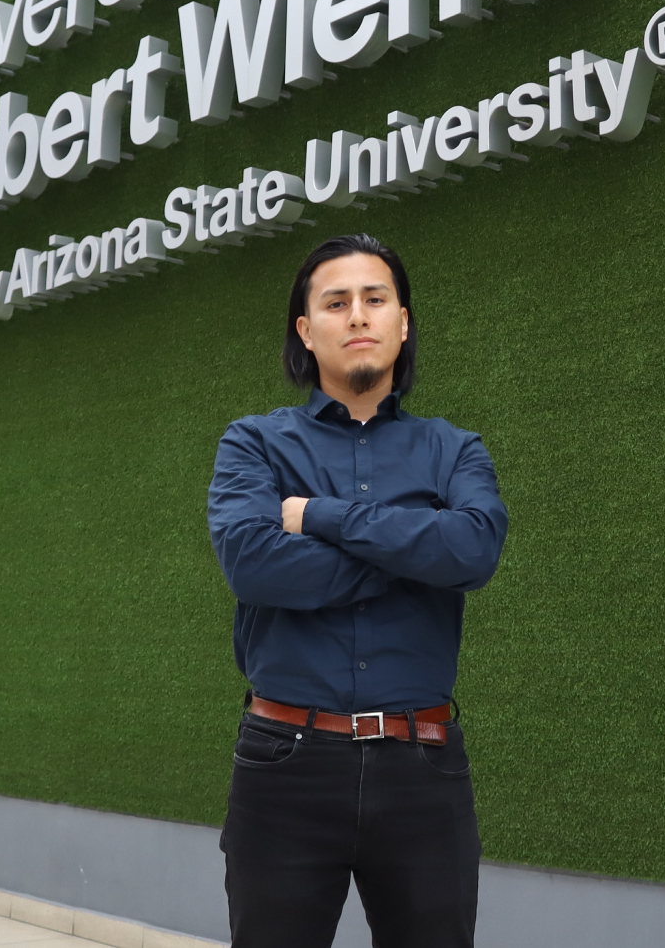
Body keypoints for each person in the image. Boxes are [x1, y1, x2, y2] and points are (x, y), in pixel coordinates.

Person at [208, 233, 508, 948]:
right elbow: (255, 563)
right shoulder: (254, 443)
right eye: (336, 302)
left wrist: (317, 515)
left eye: (375, 298)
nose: (358, 315)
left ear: (403, 322)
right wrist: (418, 545)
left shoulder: (454, 448)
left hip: (423, 764)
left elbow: (473, 547)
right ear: (307, 332)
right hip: (285, 761)